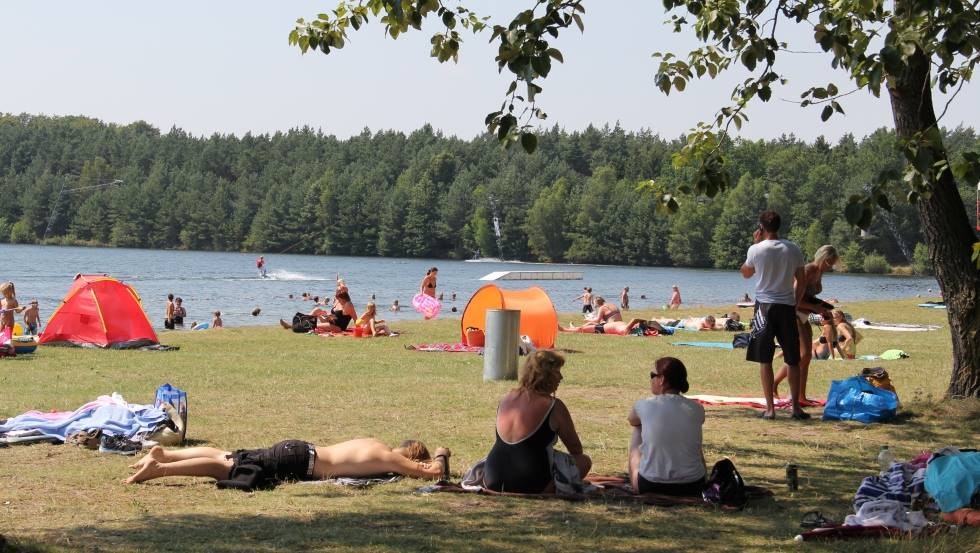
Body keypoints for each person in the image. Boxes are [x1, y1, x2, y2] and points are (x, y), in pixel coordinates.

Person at [482, 351, 591, 493]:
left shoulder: (507, 398)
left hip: (492, 477)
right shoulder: (554, 406)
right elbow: (576, 449)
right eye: (557, 372)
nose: (561, 377)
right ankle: (550, 488)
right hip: (532, 483)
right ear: (546, 375)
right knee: (584, 461)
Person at [124, 438, 451, 485]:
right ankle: (160, 468)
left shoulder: (376, 444)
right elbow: (434, 473)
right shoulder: (389, 458)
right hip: (300, 462)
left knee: (231, 457)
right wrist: (441, 454)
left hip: (299, 450)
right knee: (226, 468)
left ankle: (164, 454)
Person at [741, 211, 807, 420]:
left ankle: (770, 409)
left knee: (765, 358)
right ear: (779, 226)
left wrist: (755, 243)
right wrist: (795, 303)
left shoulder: (756, 249)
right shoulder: (793, 249)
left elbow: (746, 273)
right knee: (792, 358)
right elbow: (802, 279)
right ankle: (795, 407)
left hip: (764, 307)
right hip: (786, 306)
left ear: (761, 228)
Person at [627, 357, 706, 496]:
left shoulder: (643, 405)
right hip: (694, 486)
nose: (650, 380)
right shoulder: (697, 409)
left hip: (651, 486)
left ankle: (639, 473)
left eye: (652, 376)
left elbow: (632, 420)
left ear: (661, 379)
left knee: (638, 427)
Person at [773, 245, 840, 401]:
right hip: (792, 312)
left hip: (803, 314)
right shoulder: (809, 269)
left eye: (833, 263)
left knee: (806, 357)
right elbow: (794, 298)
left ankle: (801, 396)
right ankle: (774, 384)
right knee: (802, 355)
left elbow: (808, 297)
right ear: (823, 258)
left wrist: (822, 308)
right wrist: (817, 307)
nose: (830, 267)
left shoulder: (819, 273)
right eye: (829, 262)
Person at [0, 282, 26, 354]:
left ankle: (11, 352)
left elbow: (17, 311)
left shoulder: (13, 301)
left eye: (5, 293)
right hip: (2, 321)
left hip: (9, 322)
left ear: (10, 292)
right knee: (1, 335)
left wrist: (21, 308)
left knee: (8, 337)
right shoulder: (2, 301)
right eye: (3, 293)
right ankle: (2, 350)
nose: (4, 294)